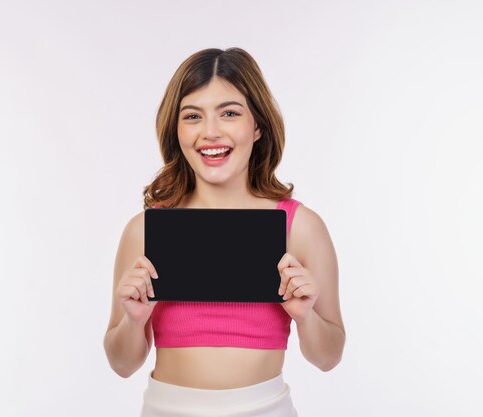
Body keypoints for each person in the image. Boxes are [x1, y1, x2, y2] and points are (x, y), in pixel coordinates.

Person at [103, 47, 345, 417]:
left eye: (229, 113)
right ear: (176, 129)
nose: (210, 132)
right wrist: (134, 321)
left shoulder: (300, 227)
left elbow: (328, 358)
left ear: (257, 126)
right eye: (192, 116)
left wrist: (306, 315)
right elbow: (121, 364)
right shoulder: (145, 230)